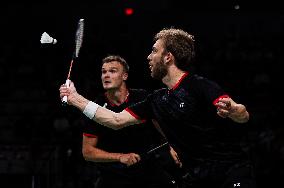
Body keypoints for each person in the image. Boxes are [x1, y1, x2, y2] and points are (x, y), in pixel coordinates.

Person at [59, 28, 256, 188]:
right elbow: (115, 120)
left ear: (168, 57)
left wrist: (233, 110)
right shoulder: (156, 100)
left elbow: (243, 114)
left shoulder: (198, 85)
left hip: (230, 171)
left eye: (154, 51)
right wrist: (76, 99)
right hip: (196, 177)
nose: (148, 57)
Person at [79, 55, 181, 188]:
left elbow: (161, 125)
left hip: (148, 168)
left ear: (125, 76)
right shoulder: (94, 108)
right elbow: (88, 152)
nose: (106, 75)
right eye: (104, 72)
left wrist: (173, 146)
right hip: (114, 174)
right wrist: (120, 157)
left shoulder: (142, 97)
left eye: (113, 71)